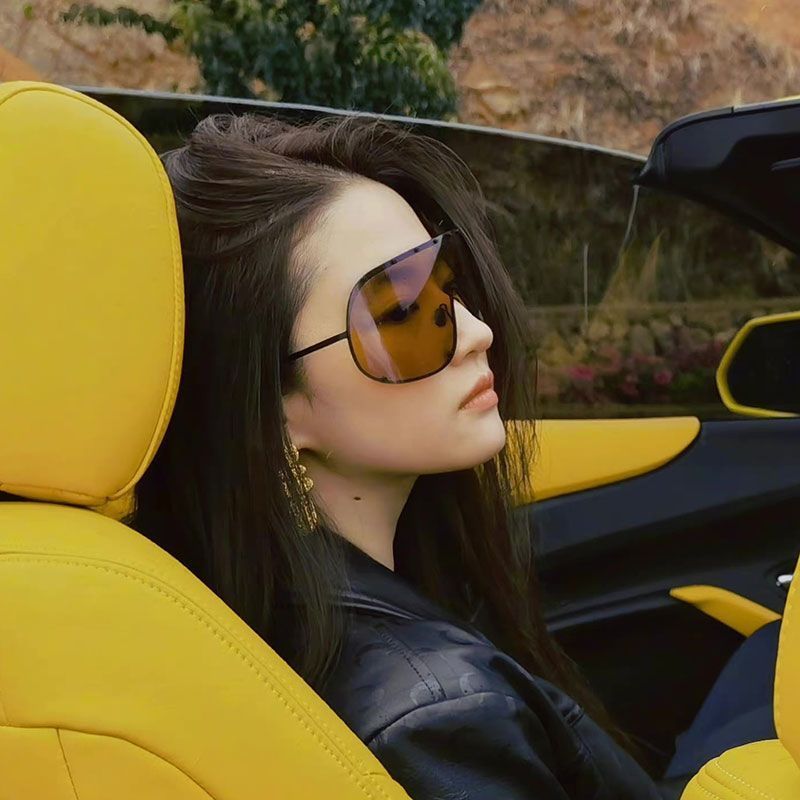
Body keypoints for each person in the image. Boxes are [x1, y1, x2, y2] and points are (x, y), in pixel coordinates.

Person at [130, 111, 776, 800]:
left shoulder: (218, 611)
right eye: (402, 314)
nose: (475, 330)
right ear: (269, 410)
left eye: (446, 284)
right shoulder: (437, 718)